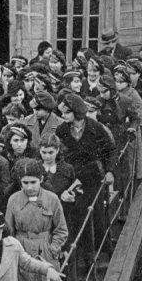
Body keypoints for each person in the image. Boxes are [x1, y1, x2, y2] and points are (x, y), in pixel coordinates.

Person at [4, 158, 68, 281]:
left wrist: (53, 248)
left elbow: (61, 229)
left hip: (44, 248)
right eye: (25, 182)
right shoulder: (13, 200)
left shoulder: (52, 199)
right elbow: (8, 230)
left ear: (41, 179)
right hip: (22, 247)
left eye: (33, 182)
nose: (29, 187)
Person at [55, 93, 116, 260]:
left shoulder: (95, 128)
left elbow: (110, 151)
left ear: (76, 112)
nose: (63, 116)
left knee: (97, 213)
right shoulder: (62, 131)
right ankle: (86, 254)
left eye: (66, 113)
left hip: (93, 177)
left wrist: (109, 170)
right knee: (77, 213)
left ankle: (106, 249)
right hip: (73, 178)